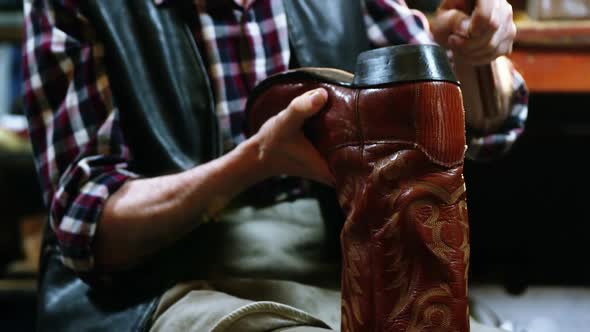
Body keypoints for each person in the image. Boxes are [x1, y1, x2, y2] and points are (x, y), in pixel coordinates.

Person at [23, 0, 528, 331]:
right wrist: (254, 161)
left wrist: (469, 53)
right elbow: (89, 228)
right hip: (167, 279)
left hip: (341, 258)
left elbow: (482, 132)